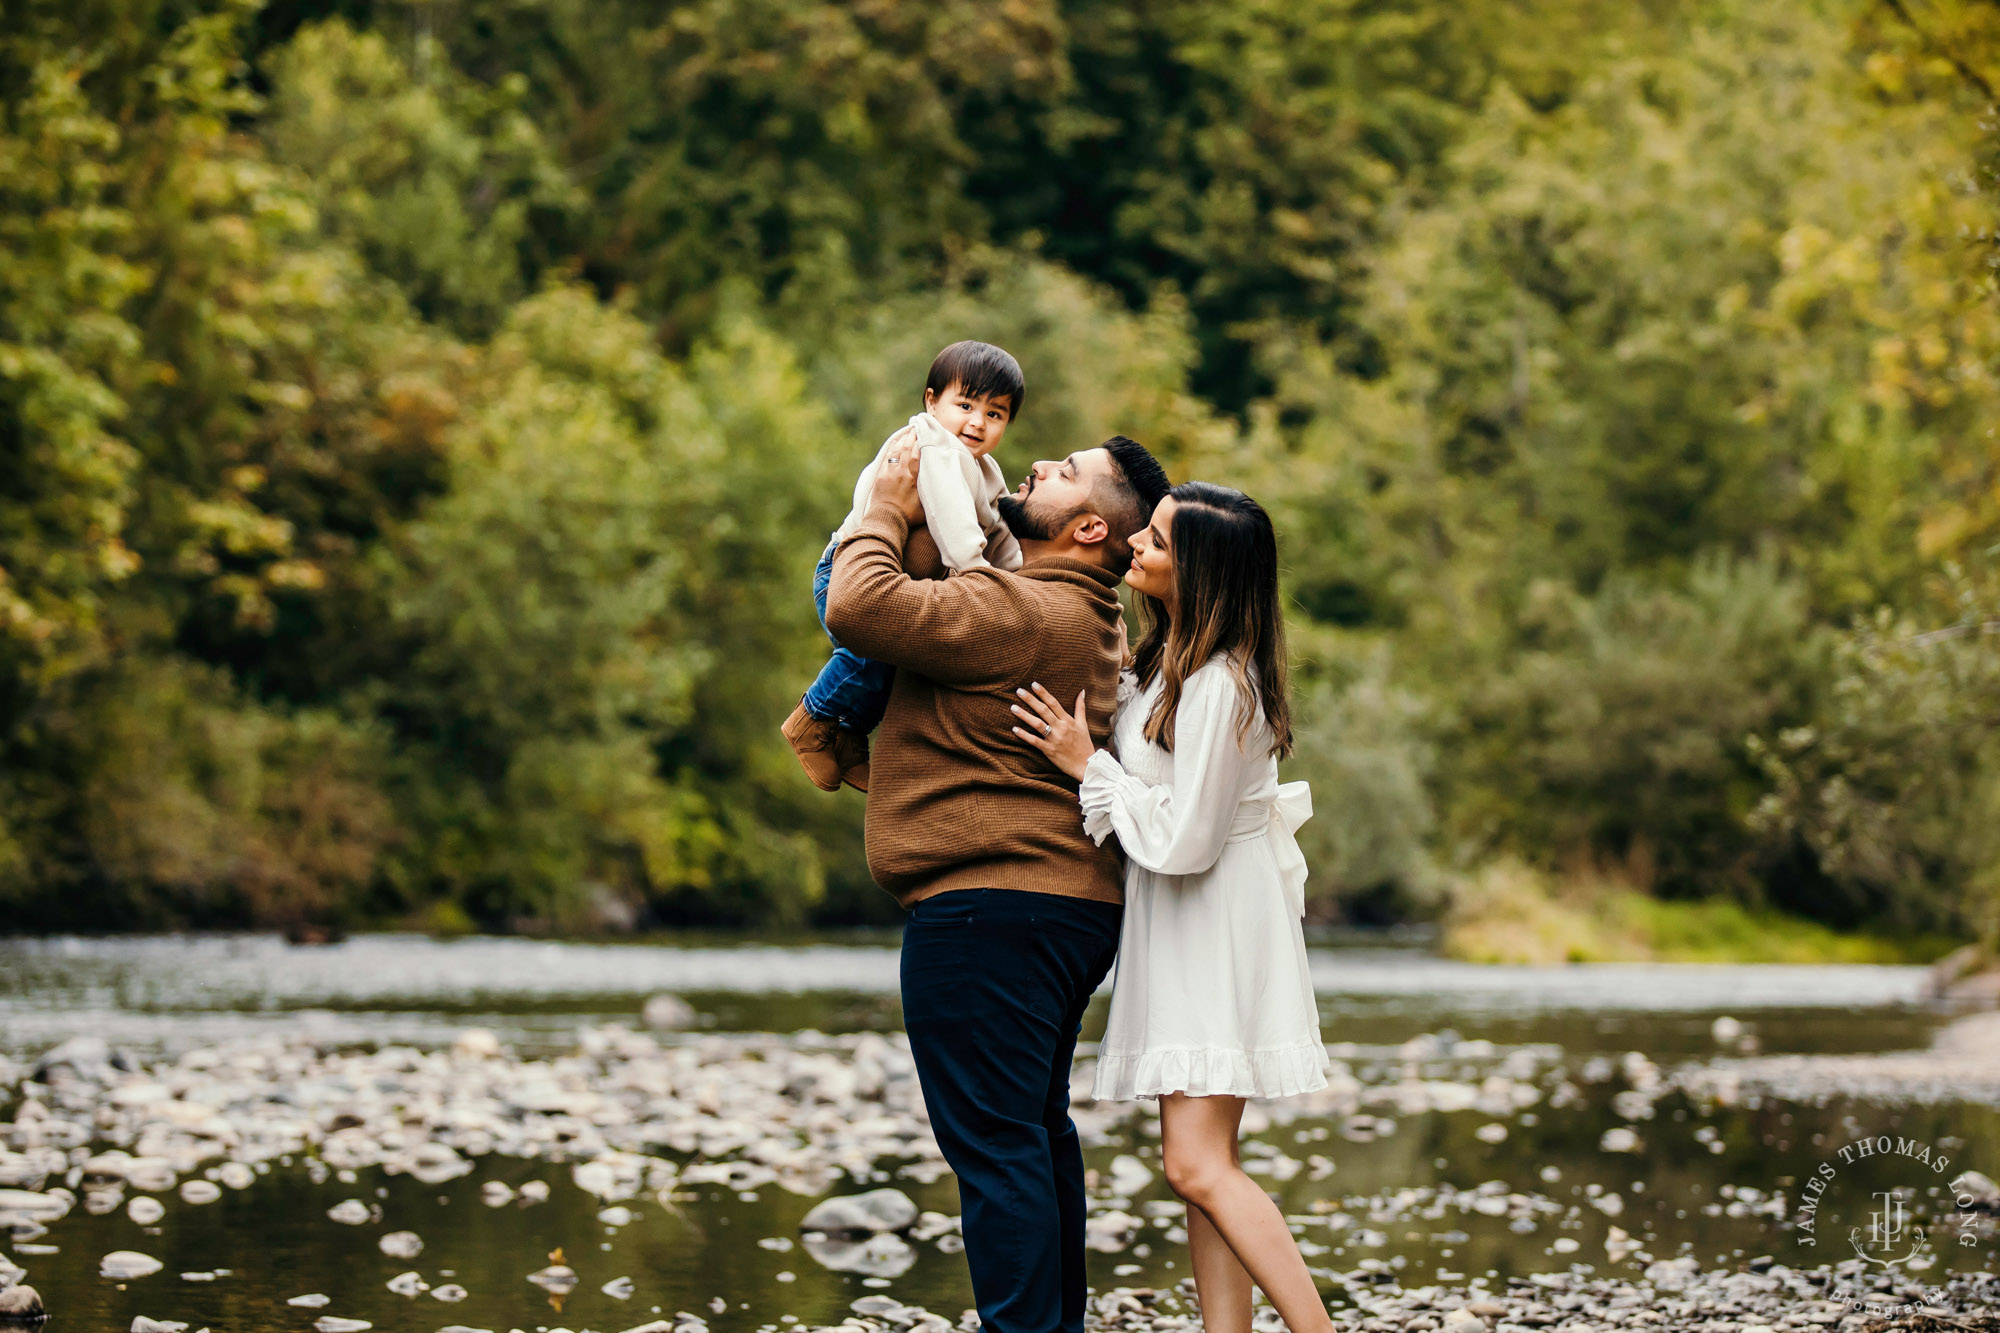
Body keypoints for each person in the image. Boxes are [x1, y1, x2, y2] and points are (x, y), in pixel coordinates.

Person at [822, 434, 1171, 1333]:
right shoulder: (1082, 613)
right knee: (1030, 1130)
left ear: (1090, 526)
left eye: (1064, 471)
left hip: (990, 912)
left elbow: (859, 607)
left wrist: (887, 506)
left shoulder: (1020, 609)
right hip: (1055, 907)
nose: (1039, 465)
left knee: (994, 1144)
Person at [1010, 480, 1334, 1333]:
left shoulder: (1226, 685)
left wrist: (1089, 764)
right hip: (1182, 922)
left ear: (1202, 573)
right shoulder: (1162, 667)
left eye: (1154, 540)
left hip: (1214, 922)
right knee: (1202, 1164)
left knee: (1195, 1167)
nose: (1136, 547)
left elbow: (1189, 841)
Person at [781, 340, 1027, 793]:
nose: (977, 422)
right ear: (932, 401)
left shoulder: (983, 467)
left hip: (879, 572)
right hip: (844, 570)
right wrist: (977, 577)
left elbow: (997, 529)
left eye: (995, 414)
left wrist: (1019, 575)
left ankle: (849, 734)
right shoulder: (934, 447)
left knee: (897, 660)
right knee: (873, 650)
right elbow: (957, 527)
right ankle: (810, 718)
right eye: (965, 404)